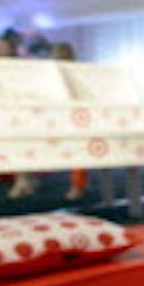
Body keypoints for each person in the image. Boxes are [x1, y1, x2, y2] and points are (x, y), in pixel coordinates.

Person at [0, 33, 39, 199]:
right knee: (14, 149)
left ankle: (26, 180)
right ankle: (22, 180)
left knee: (25, 147)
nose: (0, 49)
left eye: (3, 46)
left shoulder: (21, 63)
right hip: (7, 110)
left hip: (22, 109)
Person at [53, 41, 93, 203]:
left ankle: (78, 186)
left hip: (77, 116)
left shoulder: (74, 72)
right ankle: (77, 185)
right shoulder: (57, 73)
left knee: (79, 152)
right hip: (66, 115)